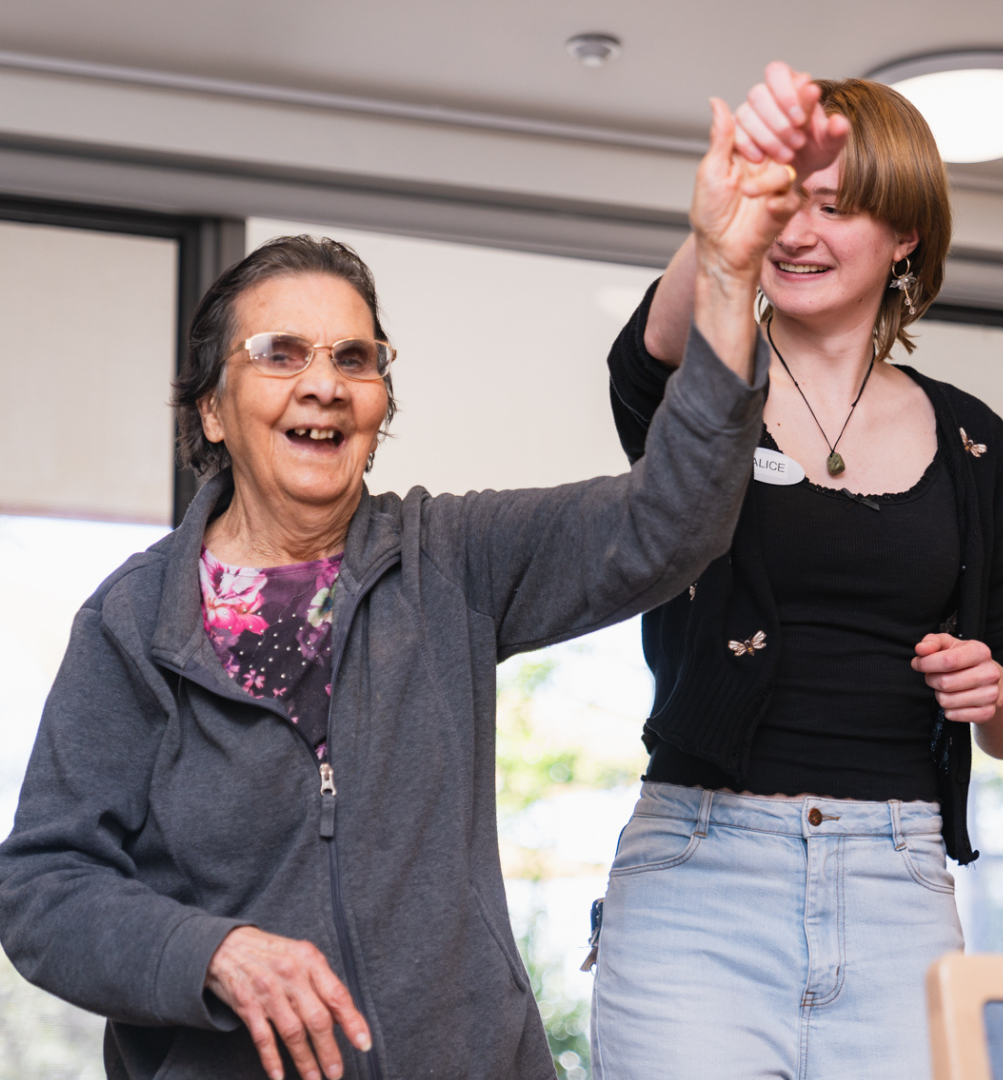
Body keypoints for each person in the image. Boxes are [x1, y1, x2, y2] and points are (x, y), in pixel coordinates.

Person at [0, 96, 802, 1080]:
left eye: (354, 357)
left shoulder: (450, 558)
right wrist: (209, 951)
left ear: (380, 402)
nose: (324, 382)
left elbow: (669, 523)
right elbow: (44, 888)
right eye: (280, 355)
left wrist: (724, 276)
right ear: (212, 409)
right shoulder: (134, 624)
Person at [590, 63, 1003, 1080]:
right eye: (783, 206)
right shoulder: (709, 398)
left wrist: (994, 688)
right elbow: (651, 357)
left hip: (897, 881)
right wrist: (736, 197)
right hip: (697, 877)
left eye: (835, 206)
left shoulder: (973, 440)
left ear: (905, 237)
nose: (797, 232)